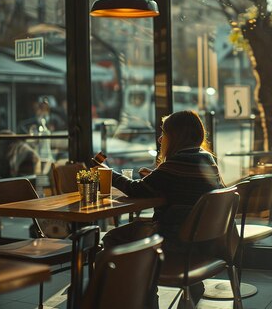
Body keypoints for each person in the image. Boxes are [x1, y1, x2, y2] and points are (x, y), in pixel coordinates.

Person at [94, 110, 225, 309]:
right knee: (132, 231)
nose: (161, 138)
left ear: (177, 136)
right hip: (202, 241)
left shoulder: (174, 164)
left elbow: (135, 189)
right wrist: (157, 176)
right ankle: (190, 286)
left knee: (113, 238)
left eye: (165, 132)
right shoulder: (207, 159)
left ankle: (139, 292)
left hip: (173, 241)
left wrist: (108, 173)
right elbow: (183, 185)